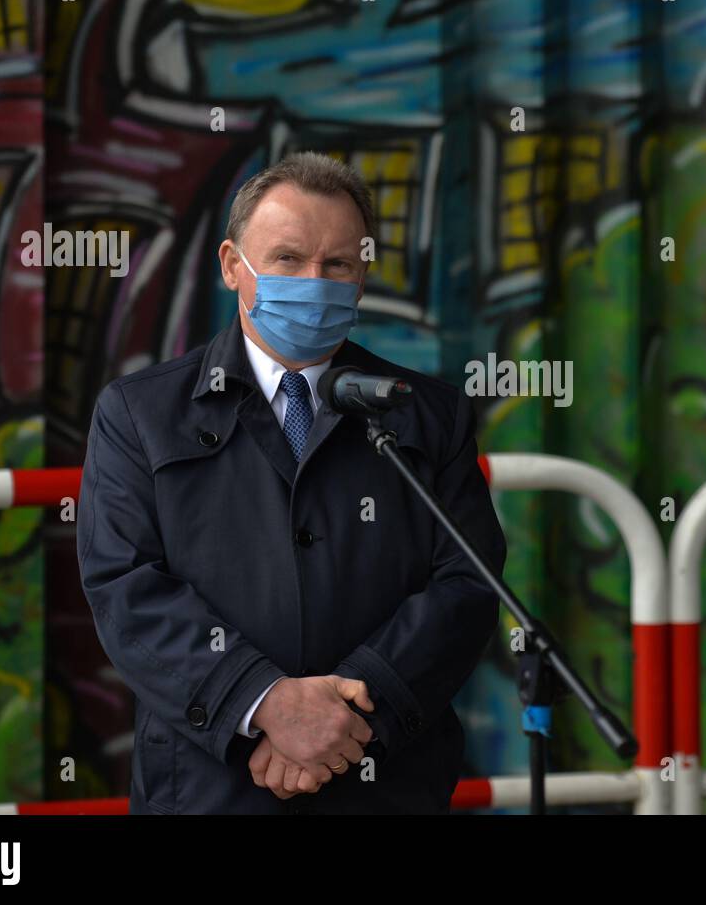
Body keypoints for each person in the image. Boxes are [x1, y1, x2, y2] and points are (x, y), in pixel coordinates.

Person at [76, 152, 506, 813]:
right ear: (230, 265)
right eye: (287, 258)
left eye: (336, 264)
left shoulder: (427, 412)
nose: (315, 280)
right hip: (207, 788)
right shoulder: (140, 413)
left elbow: (467, 582)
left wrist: (349, 715)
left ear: (362, 275)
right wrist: (262, 702)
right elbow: (125, 585)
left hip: (384, 783)